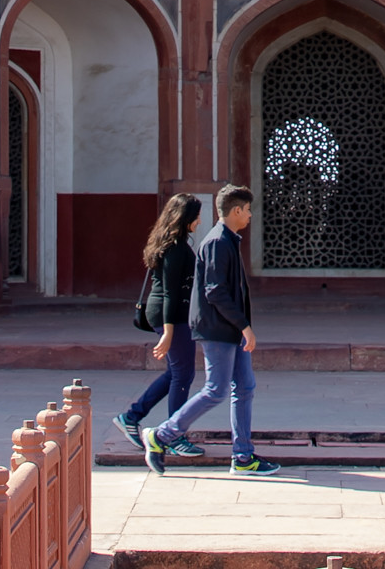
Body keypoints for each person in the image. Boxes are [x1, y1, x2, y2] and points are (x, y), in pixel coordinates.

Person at [143, 184, 275, 476]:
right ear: (236, 210)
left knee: (245, 387)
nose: (250, 215)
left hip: (230, 328)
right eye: (248, 210)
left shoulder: (228, 240)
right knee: (216, 390)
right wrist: (244, 326)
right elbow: (215, 291)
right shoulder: (217, 242)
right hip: (217, 328)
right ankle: (161, 435)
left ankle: (243, 456)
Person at [117, 193, 202, 448]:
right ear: (185, 218)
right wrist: (168, 332)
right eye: (196, 216)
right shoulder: (175, 248)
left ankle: (132, 416)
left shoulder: (172, 243)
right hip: (171, 316)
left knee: (177, 372)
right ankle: (174, 436)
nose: (199, 221)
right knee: (183, 374)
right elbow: (170, 293)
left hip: (171, 314)